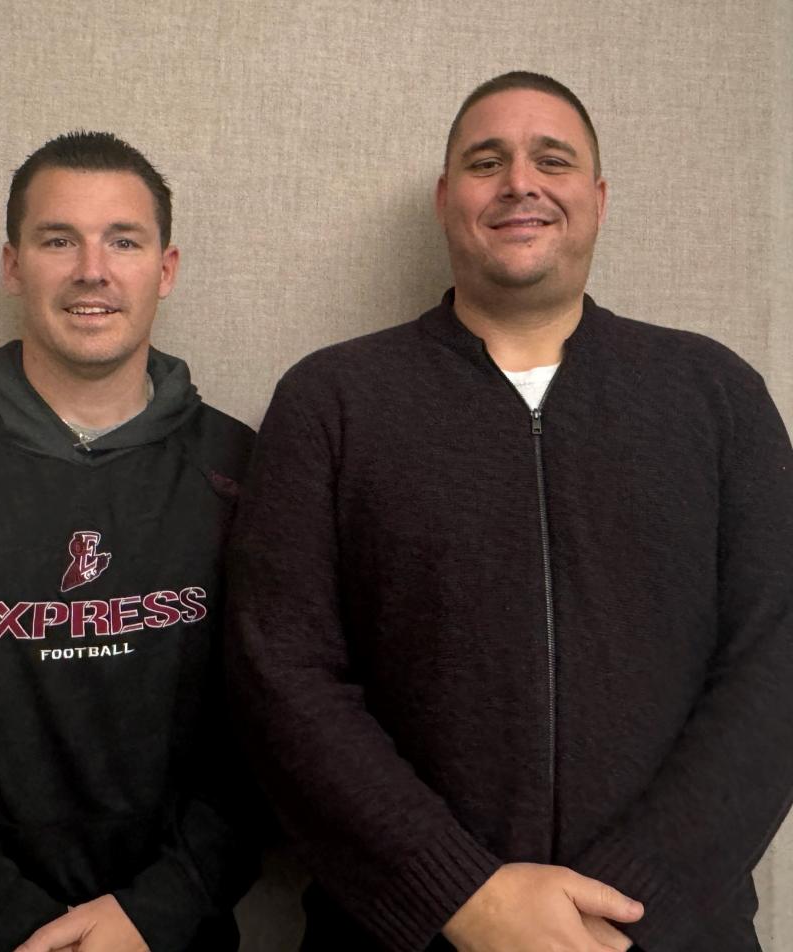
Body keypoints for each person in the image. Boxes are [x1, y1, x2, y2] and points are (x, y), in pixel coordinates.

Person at [227, 72, 793, 952]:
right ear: (447, 199)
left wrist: (627, 902)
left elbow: (776, 663)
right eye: (486, 161)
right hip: (404, 934)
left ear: (597, 200)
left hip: (667, 935)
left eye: (552, 160)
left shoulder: (715, 395)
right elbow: (282, 676)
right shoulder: (332, 401)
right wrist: (461, 894)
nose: (520, 182)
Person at [0, 131, 256, 952]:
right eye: (58, 239)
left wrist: (158, 912)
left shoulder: (242, 473)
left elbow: (275, 736)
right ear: (12, 265)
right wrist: (11, 931)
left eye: (122, 241)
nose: (91, 269)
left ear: (165, 270)